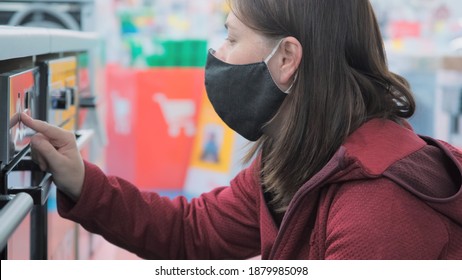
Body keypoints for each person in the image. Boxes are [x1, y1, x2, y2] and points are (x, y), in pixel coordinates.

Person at [21, 0, 462, 259]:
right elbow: (193, 231)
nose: (218, 53)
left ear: (287, 59)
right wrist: (81, 179)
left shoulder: (378, 213)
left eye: (231, 38)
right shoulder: (301, 158)